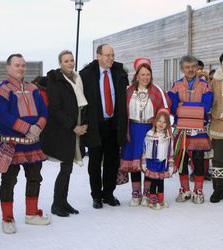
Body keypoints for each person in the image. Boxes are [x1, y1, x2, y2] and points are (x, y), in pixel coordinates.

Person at [0, 54, 50, 234]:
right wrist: (27, 128)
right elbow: (4, 116)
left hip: (33, 143)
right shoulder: (1, 90)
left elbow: (44, 112)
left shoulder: (34, 88)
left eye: (23, 65)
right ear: (8, 67)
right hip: (12, 144)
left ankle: (31, 214)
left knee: (35, 178)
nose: (21, 68)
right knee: (8, 181)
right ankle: (7, 217)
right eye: (17, 65)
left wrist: (38, 126)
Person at [79, 44, 128, 209]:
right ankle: (96, 196)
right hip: (95, 125)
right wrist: (84, 122)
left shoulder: (119, 72)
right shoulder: (86, 75)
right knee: (94, 163)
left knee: (112, 162)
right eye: (107, 55)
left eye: (112, 55)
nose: (111, 58)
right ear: (98, 56)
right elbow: (82, 103)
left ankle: (108, 193)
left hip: (114, 125)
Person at [41, 50, 88, 217]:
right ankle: (56, 203)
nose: (70, 63)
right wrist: (72, 126)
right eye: (66, 61)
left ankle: (63, 201)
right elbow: (55, 108)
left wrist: (82, 125)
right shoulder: (55, 80)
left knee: (68, 167)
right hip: (62, 129)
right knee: (66, 166)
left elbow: (81, 104)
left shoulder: (77, 78)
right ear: (60, 63)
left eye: (71, 60)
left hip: (75, 128)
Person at [120, 58, 171, 207]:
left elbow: (166, 108)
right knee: (134, 162)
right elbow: (122, 111)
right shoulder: (128, 91)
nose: (145, 77)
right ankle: (136, 193)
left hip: (150, 129)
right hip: (132, 130)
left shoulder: (157, 90)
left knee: (150, 161)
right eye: (142, 74)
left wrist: (159, 125)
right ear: (136, 75)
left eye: (148, 74)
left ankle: (148, 193)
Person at [168, 55, 213, 204]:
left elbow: (206, 106)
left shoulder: (205, 85)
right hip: (181, 129)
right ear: (182, 69)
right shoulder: (176, 85)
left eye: (193, 66)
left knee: (198, 159)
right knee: (182, 159)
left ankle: (198, 191)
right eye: (187, 67)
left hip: (199, 129)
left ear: (197, 68)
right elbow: (172, 107)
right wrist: (194, 108)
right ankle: (184, 189)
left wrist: (183, 106)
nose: (191, 69)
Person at [141, 108, 174, 209]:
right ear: (155, 121)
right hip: (152, 162)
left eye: (164, 122)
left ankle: (161, 199)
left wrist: (171, 164)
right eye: (159, 121)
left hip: (162, 163)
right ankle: (152, 201)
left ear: (167, 124)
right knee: (154, 182)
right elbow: (144, 149)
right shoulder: (149, 134)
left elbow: (170, 151)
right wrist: (144, 162)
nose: (161, 124)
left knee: (161, 182)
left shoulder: (168, 136)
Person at [209, 53, 223, 203]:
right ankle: (218, 189)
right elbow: (208, 100)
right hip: (218, 126)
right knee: (218, 159)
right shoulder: (214, 82)